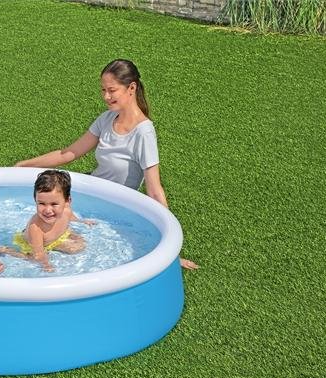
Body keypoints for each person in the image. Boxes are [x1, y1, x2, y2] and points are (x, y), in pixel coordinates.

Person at [15, 59, 199, 270]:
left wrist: (170, 252)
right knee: (45, 222)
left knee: (75, 246)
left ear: (131, 88)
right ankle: (28, 249)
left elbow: (155, 191)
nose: (106, 96)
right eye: (103, 90)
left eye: (112, 90)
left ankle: (19, 252)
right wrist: (25, 165)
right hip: (92, 194)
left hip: (114, 205)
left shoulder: (143, 132)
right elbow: (68, 154)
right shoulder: (106, 119)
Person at [0, 170, 95, 272]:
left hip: (58, 237)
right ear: (35, 200)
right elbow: (38, 255)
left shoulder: (66, 210)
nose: (48, 210)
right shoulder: (36, 227)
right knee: (32, 259)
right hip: (34, 245)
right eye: (41, 203)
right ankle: (4, 249)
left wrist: (82, 222)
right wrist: (46, 265)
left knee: (79, 247)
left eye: (54, 204)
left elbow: (73, 219)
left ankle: (58, 245)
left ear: (67, 201)